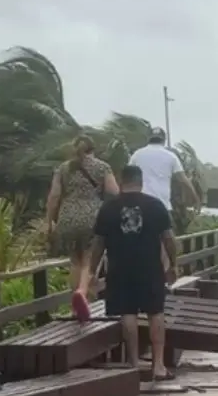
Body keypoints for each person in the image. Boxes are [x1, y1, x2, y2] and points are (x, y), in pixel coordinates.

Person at [79, 165, 178, 380]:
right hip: (150, 268)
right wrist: (174, 265)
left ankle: (133, 364)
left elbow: (98, 244)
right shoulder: (155, 205)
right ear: (141, 182)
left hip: (119, 268)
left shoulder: (108, 208)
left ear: (122, 182)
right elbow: (169, 239)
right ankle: (158, 366)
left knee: (128, 314)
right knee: (156, 313)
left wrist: (92, 272)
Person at [46, 135, 119, 295]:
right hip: (93, 217)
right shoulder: (102, 167)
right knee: (89, 260)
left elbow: (54, 196)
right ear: (93, 149)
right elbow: (114, 193)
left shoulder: (63, 169)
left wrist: (49, 221)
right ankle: (84, 294)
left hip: (67, 218)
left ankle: (75, 303)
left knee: (74, 261)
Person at [128, 127, 201, 212]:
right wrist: (196, 199)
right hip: (162, 205)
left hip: (140, 204)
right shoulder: (171, 156)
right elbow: (183, 180)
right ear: (164, 140)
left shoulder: (137, 155)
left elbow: (127, 177)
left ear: (148, 139)